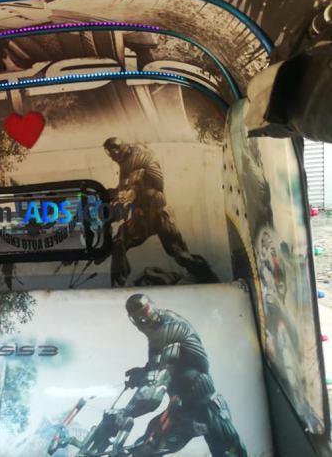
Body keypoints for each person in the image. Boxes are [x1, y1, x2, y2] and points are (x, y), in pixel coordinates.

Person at [113, 294, 247, 456]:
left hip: (206, 408)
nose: (144, 320)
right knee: (144, 449)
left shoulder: (168, 331)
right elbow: (165, 365)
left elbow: (155, 389)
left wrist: (127, 412)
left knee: (230, 453)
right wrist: (143, 373)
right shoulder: (162, 331)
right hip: (181, 411)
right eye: (138, 317)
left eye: (145, 313)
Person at [103, 137, 218, 286]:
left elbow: (141, 183)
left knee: (180, 254)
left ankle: (207, 277)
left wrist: (131, 192)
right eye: (110, 154)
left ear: (121, 149)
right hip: (142, 216)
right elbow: (124, 189)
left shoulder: (139, 157)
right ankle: (119, 285)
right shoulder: (125, 165)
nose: (113, 157)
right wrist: (110, 194)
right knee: (119, 243)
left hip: (158, 213)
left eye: (114, 152)